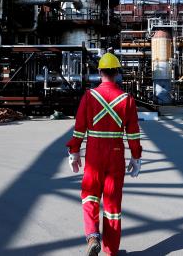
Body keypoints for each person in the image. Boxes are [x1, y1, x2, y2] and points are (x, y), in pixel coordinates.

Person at [66, 52, 142, 256]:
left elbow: (79, 129)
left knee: (90, 196)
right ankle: (111, 251)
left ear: (99, 72)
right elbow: (133, 133)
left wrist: (74, 151)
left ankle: (92, 237)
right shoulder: (127, 99)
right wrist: (136, 157)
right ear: (117, 73)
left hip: (94, 154)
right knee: (112, 204)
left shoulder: (89, 96)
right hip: (116, 155)